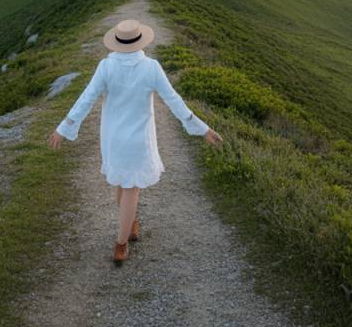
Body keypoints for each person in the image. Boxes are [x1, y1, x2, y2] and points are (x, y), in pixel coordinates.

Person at [47, 18, 223, 265]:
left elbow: (86, 99)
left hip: (113, 138)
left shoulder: (105, 67)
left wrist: (63, 128)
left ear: (116, 42)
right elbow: (174, 100)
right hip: (138, 140)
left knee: (122, 184)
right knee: (130, 187)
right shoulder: (151, 67)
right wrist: (202, 128)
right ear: (140, 41)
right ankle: (121, 244)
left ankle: (128, 225)